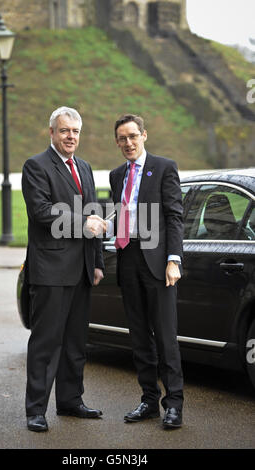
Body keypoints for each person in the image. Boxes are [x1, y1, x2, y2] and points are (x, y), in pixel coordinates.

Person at [21, 106, 105, 432]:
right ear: (52, 133)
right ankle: (36, 410)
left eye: (76, 132)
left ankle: (70, 401)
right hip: (51, 271)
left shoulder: (84, 167)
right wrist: (84, 224)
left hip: (81, 270)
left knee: (75, 343)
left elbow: (95, 214)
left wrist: (96, 262)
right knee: (46, 343)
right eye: (65, 130)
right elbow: (42, 213)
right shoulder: (36, 166)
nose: (71, 137)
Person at [108, 114, 184, 429]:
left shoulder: (164, 167)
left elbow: (175, 216)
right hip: (128, 259)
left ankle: (174, 405)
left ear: (144, 135)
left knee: (165, 336)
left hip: (158, 262)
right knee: (138, 336)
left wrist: (174, 259)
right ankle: (149, 401)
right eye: (122, 138)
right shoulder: (116, 176)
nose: (128, 143)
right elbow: (119, 215)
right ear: (117, 142)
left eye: (132, 136)